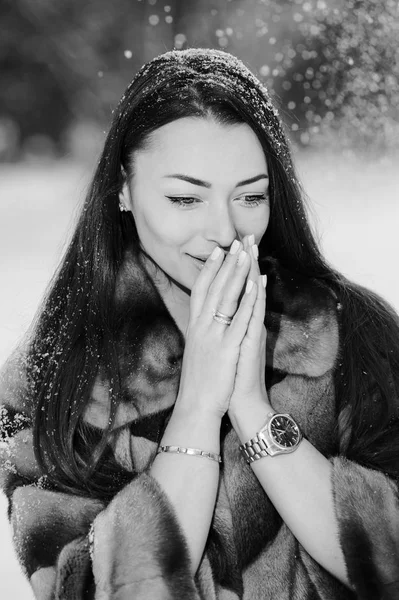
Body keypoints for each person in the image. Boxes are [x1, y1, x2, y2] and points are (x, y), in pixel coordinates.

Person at [0, 48, 399, 600]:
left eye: (251, 196)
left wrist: (255, 411)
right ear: (122, 187)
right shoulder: (53, 377)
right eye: (185, 198)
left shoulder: (353, 334)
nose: (224, 230)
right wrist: (196, 410)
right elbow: (89, 590)